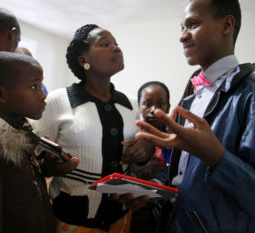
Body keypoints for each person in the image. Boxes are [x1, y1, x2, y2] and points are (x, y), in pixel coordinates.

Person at [135, 0, 255, 232]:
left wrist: (217, 158)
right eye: (181, 28)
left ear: (227, 25)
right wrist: (154, 187)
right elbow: (183, 175)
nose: (182, 36)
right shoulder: (191, 99)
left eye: (192, 24)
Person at [36, 24, 152, 233]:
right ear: (84, 60)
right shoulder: (57, 101)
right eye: (105, 44)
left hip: (121, 218)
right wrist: (50, 166)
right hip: (73, 220)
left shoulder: (132, 104)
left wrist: (145, 150)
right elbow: (35, 159)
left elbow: (137, 163)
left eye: (116, 44)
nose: (116, 48)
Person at [0, 52, 79, 233]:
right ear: (0, 94)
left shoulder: (18, 129)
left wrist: (48, 167)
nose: (43, 95)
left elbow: (16, 183)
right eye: (33, 86)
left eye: (41, 85)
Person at [131, 81, 171, 233]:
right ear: (139, 106)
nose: (154, 110)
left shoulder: (176, 136)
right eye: (147, 104)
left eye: (161, 104)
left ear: (168, 106)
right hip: (133, 208)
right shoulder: (130, 133)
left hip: (164, 211)